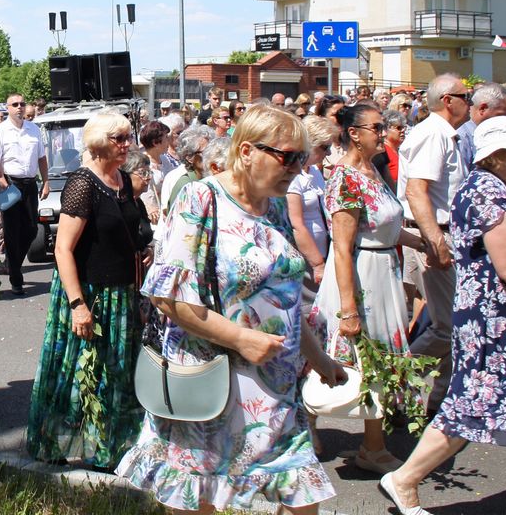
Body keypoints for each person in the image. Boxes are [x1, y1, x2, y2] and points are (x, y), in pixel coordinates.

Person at [117, 106, 346, 513]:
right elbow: (167, 297)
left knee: (301, 492)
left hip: (276, 387)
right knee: (201, 492)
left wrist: (319, 358)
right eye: (287, 156)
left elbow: (284, 299)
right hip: (214, 381)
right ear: (245, 152)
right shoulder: (201, 198)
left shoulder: (275, 206)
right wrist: (241, 338)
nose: (299, 167)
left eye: (302, 156)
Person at [380, 116, 506, 515]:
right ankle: (404, 479)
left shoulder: (496, 188)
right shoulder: (485, 191)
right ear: (501, 155)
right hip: (496, 324)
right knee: (470, 408)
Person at [28, 112, 151, 469]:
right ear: (98, 142)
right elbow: (63, 249)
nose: (127, 145)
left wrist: (145, 249)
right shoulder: (82, 183)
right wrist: (78, 305)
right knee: (81, 373)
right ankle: (58, 443)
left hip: (123, 294)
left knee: (117, 374)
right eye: (119, 138)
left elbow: (128, 230)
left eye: (128, 137)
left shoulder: (123, 181)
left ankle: (112, 448)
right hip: (91, 295)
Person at [310, 103, 427, 474]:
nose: (383, 131)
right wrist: (349, 309)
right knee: (361, 357)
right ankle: (349, 439)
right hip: (360, 277)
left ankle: (372, 444)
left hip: (382, 271)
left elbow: (383, 226)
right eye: (376, 127)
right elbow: (343, 247)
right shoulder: (345, 178)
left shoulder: (373, 170)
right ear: (354, 134)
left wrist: (422, 243)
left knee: (380, 357)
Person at [398, 73, 470, 413]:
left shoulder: (443, 133)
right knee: (449, 326)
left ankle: (441, 402)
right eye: (465, 96)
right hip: (435, 233)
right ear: (448, 100)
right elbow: (416, 191)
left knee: (457, 326)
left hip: (442, 232)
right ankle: (395, 379)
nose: (469, 102)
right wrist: (435, 240)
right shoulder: (432, 133)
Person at [0, 93, 50, 296]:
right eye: (15, 104)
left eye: (22, 104)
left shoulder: (34, 129)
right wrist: (1, 181)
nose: (19, 107)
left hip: (30, 183)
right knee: (12, 231)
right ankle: (16, 277)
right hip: (10, 183)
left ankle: (13, 263)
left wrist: (46, 181)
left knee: (31, 229)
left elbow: (42, 158)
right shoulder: (0, 131)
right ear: (7, 108)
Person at [287, 115, 339, 296]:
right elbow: (296, 224)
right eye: (324, 147)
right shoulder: (292, 176)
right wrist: (318, 264)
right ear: (308, 144)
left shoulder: (315, 171)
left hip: (325, 251)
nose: (329, 153)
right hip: (307, 260)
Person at [456, 83, 506, 171]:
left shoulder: (490, 134)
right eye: (501, 115)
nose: (505, 120)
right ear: (483, 109)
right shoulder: (462, 137)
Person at [372, 110, 406, 194]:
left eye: (404, 127)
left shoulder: (400, 151)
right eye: (399, 128)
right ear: (386, 130)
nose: (403, 130)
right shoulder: (382, 152)